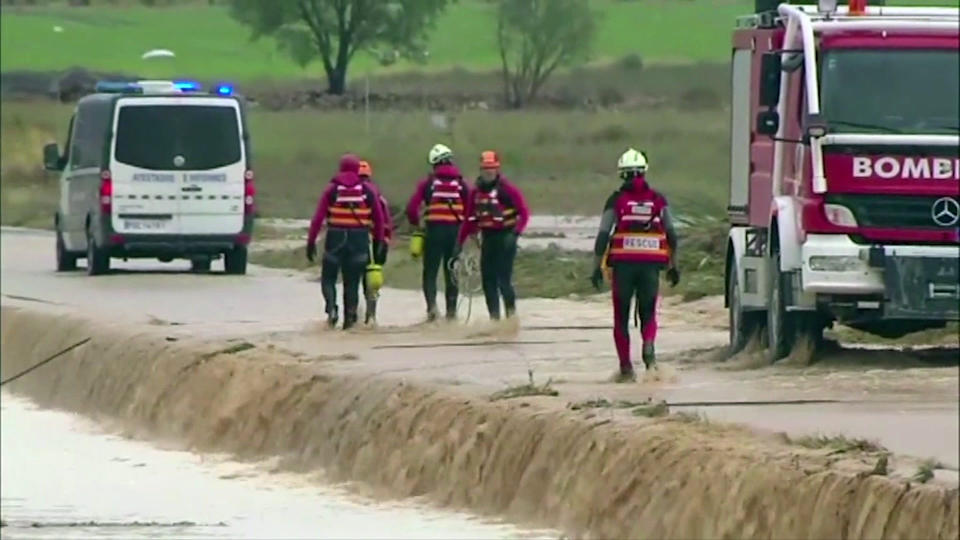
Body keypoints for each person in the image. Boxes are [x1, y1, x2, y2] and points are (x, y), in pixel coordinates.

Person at [590, 149, 680, 382]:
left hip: (623, 268)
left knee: (621, 318)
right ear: (644, 171)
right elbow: (671, 234)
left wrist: (595, 267)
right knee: (648, 312)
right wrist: (674, 265)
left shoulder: (616, 200)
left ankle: (626, 368)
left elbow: (602, 236)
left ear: (622, 174)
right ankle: (649, 346)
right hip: (651, 266)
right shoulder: (658, 200)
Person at [306, 154, 386, 330]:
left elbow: (318, 218)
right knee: (352, 283)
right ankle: (350, 321)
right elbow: (379, 219)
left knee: (328, 279)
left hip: (335, 239)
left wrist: (311, 241)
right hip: (359, 240)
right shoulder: (367, 191)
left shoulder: (332, 190)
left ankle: (332, 309)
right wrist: (380, 241)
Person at [457, 150, 530, 320]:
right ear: (480, 170)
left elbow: (524, 214)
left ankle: (511, 318)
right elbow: (469, 220)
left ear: (497, 170)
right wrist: (458, 244)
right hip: (488, 239)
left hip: (506, 238)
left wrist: (515, 234)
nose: (488, 172)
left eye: (492, 168)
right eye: (485, 168)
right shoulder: (475, 193)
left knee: (504, 281)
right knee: (488, 282)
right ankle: (495, 320)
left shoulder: (508, 190)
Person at [405, 143, 469, 322]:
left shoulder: (427, 184)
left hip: (434, 232)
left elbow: (411, 208)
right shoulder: (462, 184)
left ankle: (432, 310)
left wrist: (416, 225)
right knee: (452, 273)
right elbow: (471, 208)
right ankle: (451, 314)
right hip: (455, 233)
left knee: (430, 272)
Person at [358, 159, 393, 325]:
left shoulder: (355, 193)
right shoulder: (379, 196)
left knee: (354, 280)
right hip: (377, 243)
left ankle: (354, 317)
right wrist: (384, 242)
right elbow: (387, 224)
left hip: (362, 242)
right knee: (372, 281)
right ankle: (370, 316)